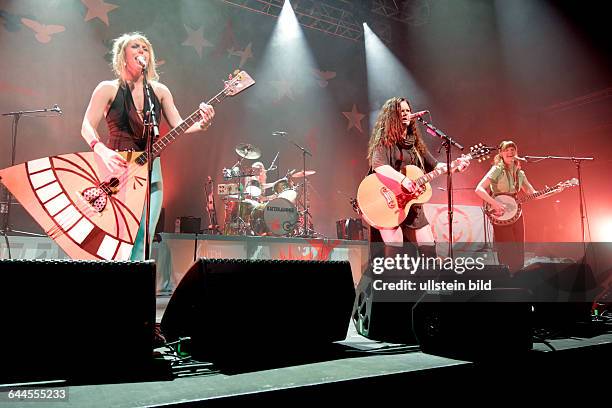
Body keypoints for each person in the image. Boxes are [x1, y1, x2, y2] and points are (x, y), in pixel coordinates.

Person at [81, 32, 215, 260]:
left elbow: (179, 126)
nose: (141, 50)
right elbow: (86, 125)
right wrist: (100, 149)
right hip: (117, 170)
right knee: (118, 232)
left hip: (152, 172)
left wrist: (203, 124)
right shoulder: (108, 88)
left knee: (145, 233)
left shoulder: (160, 91)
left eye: (145, 48)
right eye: (135, 46)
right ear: (122, 55)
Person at [366, 97, 469, 247]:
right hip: (388, 202)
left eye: (408, 110)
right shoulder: (384, 141)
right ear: (392, 115)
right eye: (401, 111)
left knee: (428, 247)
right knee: (395, 250)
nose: (406, 113)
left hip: (412, 204)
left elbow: (435, 166)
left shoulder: (415, 145)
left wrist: (455, 167)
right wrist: (403, 180)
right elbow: (379, 166)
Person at [475, 140, 538, 272]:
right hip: (500, 212)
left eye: (512, 150)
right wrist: (495, 204)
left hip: (516, 212)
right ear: (501, 153)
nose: (510, 152)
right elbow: (479, 189)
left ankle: (518, 276)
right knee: (506, 247)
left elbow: (534, 194)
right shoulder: (497, 169)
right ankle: (506, 276)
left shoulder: (520, 173)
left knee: (519, 246)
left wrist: (553, 191)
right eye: (506, 150)